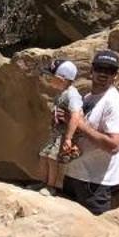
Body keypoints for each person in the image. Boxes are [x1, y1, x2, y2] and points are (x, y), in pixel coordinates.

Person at [61, 48, 119, 215]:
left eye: (110, 70)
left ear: (116, 75)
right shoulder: (86, 99)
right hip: (73, 174)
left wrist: (81, 125)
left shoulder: (115, 103)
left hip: (95, 183)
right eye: (100, 68)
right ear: (91, 70)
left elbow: (114, 145)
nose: (104, 74)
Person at [36, 58, 82, 195]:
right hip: (55, 132)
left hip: (62, 134)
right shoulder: (61, 93)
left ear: (62, 78)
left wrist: (68, 138)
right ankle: (43, 183)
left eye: (52, 76)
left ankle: (51, 186)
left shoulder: (72, 94)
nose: (49, 79)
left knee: (52, 159)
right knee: (44, 156)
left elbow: (76, 115)